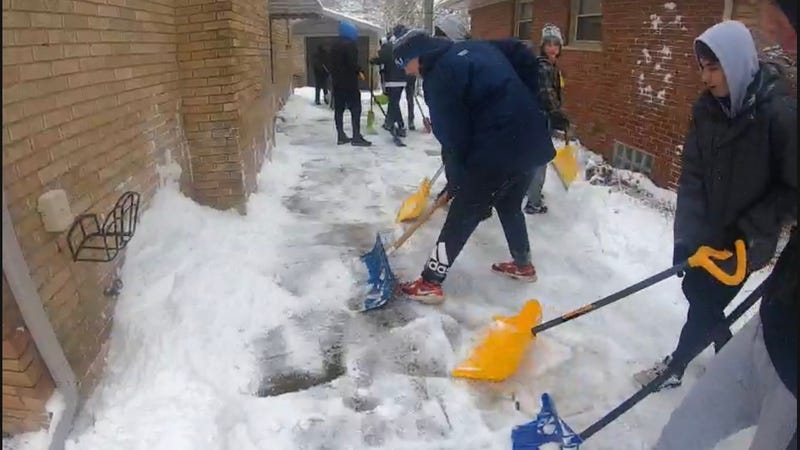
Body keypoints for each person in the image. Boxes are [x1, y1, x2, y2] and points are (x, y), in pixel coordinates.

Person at [652, 3, 797, 448]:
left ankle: (677, 365)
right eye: (702, 67)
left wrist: (747, 234)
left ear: (736, 63)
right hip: (707, 233)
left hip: (744, 241)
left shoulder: (779, 115)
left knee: (706, 301)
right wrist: (685, 240)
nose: (706, 77)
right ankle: (723, 355)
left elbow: (791, 190)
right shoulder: (706, 109)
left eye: (713, 67)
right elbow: (692, 176)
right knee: (698, 293)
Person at [392, 29, 555, 304]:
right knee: (509, 204)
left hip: (498, 147)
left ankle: (430, 282)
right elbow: (521, 52)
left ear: (417, 56)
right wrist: (528, 99)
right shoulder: (475, 47)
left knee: (463, 211)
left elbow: (454, 136)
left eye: (404, 65)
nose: (407, 73)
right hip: (530, 138)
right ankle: (523, 264)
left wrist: (458, 179)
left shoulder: (439, 77)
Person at [524, 24, 569, 215]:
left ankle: (531, 192)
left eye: (555, 44)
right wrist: (557, 113)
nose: (552, 48)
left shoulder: (550, 67)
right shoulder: (543, 66)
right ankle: (533, 203)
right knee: (540, 160)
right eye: (548, 44)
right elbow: (546, 93)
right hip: (540, 118)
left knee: (534, 158)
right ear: (542, 46)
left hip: (540, 117)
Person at [328, 21, 372, 147]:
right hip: (349, 83)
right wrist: (360, 71)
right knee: (355, 109)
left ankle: (341, 136)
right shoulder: (350, 45)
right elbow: (351, 63)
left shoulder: (334, 46)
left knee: (339, 109)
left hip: (337, 83)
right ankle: (356, 136)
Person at [373, 24, 412, 137]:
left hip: (391, 79)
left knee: (393, 103)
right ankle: (389, 123)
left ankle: (400, 125)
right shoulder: (403, 46)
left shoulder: (389, 46)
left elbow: (382, 59)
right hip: (401, 79)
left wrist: (374, 61)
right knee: (393, 102)